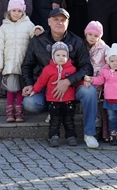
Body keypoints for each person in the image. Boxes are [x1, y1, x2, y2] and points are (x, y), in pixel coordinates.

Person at [21, 8, 100, 149]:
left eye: (63, 20)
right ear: (48, 22)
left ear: (68, 23)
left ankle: (89, 133)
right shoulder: (38, 40)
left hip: (72, 87)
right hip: (47, 88)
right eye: (56, 19)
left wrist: (68, 81)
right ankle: (55, 110)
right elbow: (27, 66)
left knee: (90, 92)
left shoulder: (77, 41)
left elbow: (87, 67)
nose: (59, 22)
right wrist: (29, 84)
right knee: (29, 103)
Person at [0, 0, 41, 123]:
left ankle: (19, 112)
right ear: (9, 11)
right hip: (9, 64)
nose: (16, 13)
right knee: (10, 88)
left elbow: (34, 32)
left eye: (19, 11)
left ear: (23, 12)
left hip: (23, 63)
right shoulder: (4, 27)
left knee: (21, 88)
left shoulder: (28, 24)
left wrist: (38, 29)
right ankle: (10, 111)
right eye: (14, 10)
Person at [86, 44, 117, 146]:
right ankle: (113, 135)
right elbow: (99, 80)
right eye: (112, 61)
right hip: (110, 101)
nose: (115, 63)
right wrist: (91, 80)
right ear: (108, 61)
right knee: (112, 119)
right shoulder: (105, 72)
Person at [30, 41, 77, 147]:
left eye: (64, 55)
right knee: (55, 120)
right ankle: (54, 137)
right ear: (53, 56)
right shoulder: (48, 69)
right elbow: (41, 81)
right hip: (53, 101)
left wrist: (86, 82)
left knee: (69, 120)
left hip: (68, 101)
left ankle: (71, 136)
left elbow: (77, 81)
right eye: (58, 55)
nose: (61, 57)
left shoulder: (72, 69)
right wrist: (35, 90)